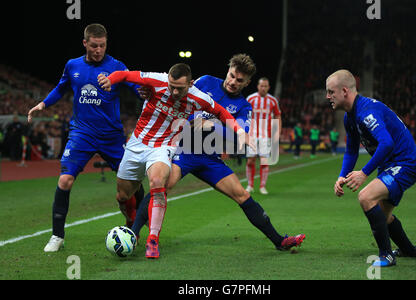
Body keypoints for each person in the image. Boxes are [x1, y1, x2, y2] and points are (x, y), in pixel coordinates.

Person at [131, 54, 305, 254]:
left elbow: (238, 134)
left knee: (242, 195)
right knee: (162, 186)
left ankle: (279, 241)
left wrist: (210, 124)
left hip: (210, 158)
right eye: (231, 75)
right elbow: (176, 94)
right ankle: (134, 233)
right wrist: (145, 92)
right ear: (228, 70)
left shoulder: (244, 107)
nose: (233, 82)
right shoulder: (205, 82)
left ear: (247, 82)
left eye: (240, 80)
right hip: (184, 149)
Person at [98, 62, 252, 259]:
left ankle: (152, 240)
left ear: (189, 85)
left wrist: (239, 132)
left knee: (158, 183)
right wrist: (110, 80)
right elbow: (125, 75)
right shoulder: (157, 80)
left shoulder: (200, 97)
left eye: (179, 88)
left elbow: (222, 112)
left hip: (165, 146)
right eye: (172, 86)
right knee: (123, 196)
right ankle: (131, 223)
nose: (174, 91)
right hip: (138, 143)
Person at [27, 24, 145, 252]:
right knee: (64, 180)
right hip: (82, 133)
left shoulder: (116, 66)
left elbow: (135, 87)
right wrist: (42, 104)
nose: (99, 49)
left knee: (132, 184)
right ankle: (57, 236)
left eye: (102, 45)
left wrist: (147, 91)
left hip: (112, 136)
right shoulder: (73, 65)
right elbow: (61, 89)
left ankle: (135, 225)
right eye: (94, 45)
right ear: (85, 43)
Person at [327, 69, 416, 267]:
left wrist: (364, 173)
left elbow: (387, 143)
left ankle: (386, 255)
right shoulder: (349, 117)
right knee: (383, 215)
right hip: (390, 164)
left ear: (344, 91)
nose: (328, 97)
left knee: (365, 197)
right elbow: (351, 151)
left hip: (405, 163)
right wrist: (341, 176)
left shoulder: (366, 111)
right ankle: (409, 250)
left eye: (331, 92)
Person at [245, 77, 282, 194]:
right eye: (262, 86)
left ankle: (262, 186)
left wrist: (278, 131)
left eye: (265, 86)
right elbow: (244, 115)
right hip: (251, 134)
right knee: (250, 161)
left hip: (265, 134)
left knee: (264, 161)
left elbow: (278, 115)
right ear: (258, 86)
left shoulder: (272, 101)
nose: (263, 88)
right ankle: (250, 185)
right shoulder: (250, 98)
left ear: (268, 87)